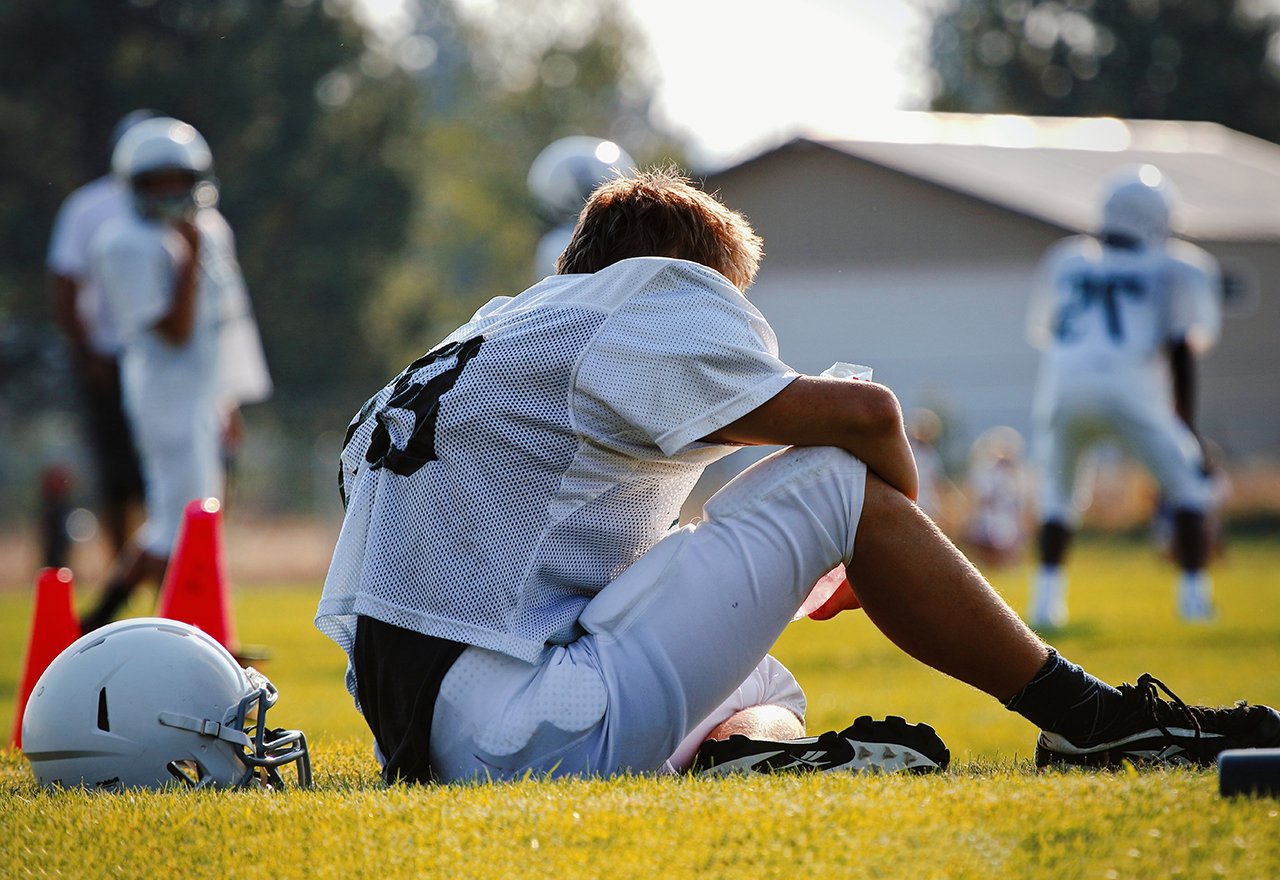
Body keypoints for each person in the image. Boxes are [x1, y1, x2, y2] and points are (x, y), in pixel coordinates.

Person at [316, 167, 1277, 785]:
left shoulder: (490, 332)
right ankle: (1092, 720)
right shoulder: (643, 292)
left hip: (437, 728)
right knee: (831, 476)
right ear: (679, 275)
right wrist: (878, 531)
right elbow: (868, 419)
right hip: (520, 725)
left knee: (762, 683)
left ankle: (750, 762)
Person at [79, 117, 271, 632]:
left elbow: (218, 328)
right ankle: (177, 629)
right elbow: (176, 331)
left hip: (198, 394)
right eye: (155, 182)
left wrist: (224, 398)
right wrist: (188, 259)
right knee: (185, 525)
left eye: (176, 180)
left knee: (183, 522)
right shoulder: (122, 242)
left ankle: (102, 622)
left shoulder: (209, 228)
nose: (169, 193)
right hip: (163, 395)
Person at [1026, 165, 1223, 628]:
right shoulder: (1176, 266)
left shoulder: (1068, 259)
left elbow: (1047, 330)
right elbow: (1181, 349)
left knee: (1057, 496)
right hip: (1130, 387)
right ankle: (1194, 601)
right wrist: (1187, 427)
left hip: (1064, 386)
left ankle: (1045, 603)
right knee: (1189, 487)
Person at [45, 110, 154, 557]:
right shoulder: (89, 207)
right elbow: (65, 283)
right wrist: (87, 354)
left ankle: (170, 571)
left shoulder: (179, 208)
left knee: (164, 475)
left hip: (164, 361)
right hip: (109, 357)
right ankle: (122, 565)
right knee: (118, 476)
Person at [963, 426, 1032, 569]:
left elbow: (1019, 500)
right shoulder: (987, 472)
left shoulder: (1016, 474)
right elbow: (983, 497)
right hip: (991, 517)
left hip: (1007, 518)